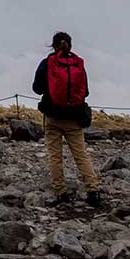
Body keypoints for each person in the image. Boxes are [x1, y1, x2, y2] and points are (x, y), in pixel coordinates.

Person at [33, 30, 104, 206]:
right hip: (74, 117)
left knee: (55, 156)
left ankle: (61, 192)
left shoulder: (47, 63)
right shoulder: (77, 63)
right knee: (81, 155)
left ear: (53, 45)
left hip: (53, 117)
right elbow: (85, 91)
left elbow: (37, 88)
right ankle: (93, 190)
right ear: (70, 45)